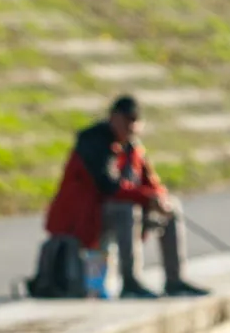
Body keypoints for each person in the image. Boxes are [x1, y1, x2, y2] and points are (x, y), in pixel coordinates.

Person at [43, 95, 208, 298]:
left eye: (135, 121)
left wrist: (158, 198)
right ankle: (130, 282)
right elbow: (108, 187)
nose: (131, 126)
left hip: (112, 210)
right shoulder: (93, 142)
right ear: (113, 118)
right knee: (127, 210)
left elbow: (150, 181)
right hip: (85, 216)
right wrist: (147, 198)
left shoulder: (133, 146)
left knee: (170, 207)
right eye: (127, 120)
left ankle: (174, 280)